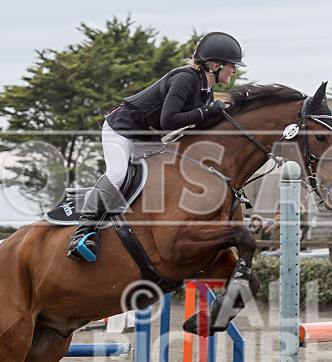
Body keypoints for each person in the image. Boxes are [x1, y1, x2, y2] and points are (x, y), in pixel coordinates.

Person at [67, 32, 245, 262]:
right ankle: (82, 234)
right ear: (214, 65)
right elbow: (168, 120)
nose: (235, 71)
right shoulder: (186, 79)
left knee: (159, 181)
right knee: (118, 174)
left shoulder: (206, 90)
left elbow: (195, 124)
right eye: (232, 66)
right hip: (122, 128)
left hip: (147, 136)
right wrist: (206, 112)